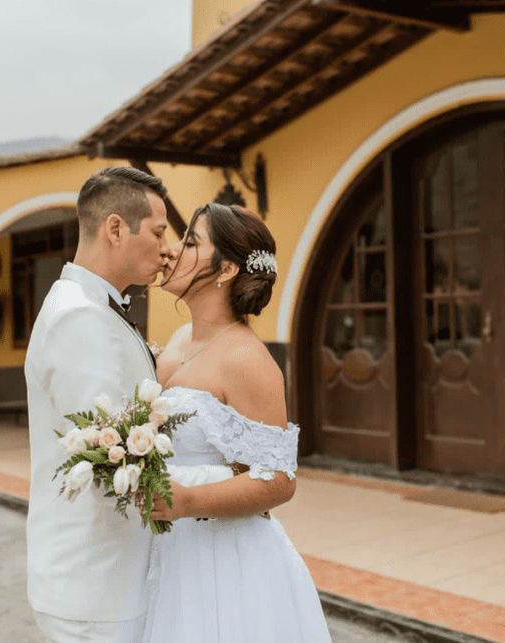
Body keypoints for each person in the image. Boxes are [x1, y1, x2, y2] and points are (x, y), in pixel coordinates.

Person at [138, 203, 333, 642]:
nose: (171, 250)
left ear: (225, 268)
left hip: (224, 561)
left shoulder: (247, 359)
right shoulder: (178, 339)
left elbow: (279, 481)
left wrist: (187, 501)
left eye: (190, 242)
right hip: (171, 551)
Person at [24, 166, 171, 643]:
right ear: (115, 228)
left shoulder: (84, 306)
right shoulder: (81, 318)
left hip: (99, 581)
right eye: (158, 231)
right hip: (99, 583)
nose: (167, 247)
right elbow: (109, 455)